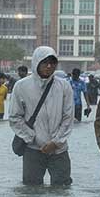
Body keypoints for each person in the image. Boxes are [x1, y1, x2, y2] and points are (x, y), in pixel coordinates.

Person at [9, 46, 75, 186]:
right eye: (45, 62)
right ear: (36, 63)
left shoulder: (64, 87)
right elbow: (15, 117)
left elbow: (68, 118)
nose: (49, 66)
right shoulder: (21, 86)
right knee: (31, 191)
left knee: (62, 189)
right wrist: (32, 137)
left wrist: (56, 142)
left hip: (59, 150)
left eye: (52, 63)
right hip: (32, 149)